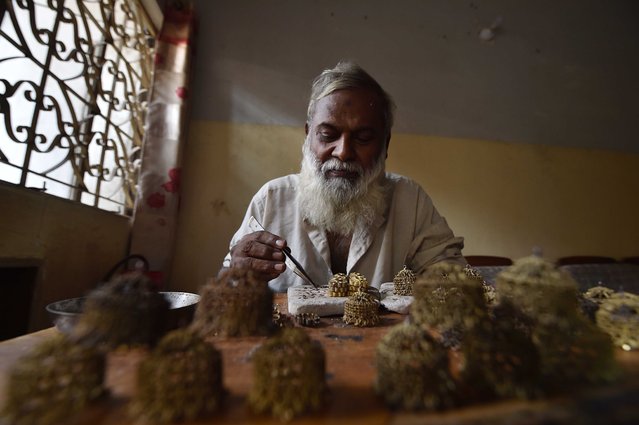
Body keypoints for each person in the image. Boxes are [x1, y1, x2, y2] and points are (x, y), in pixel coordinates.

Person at [222, 61, 465, 292]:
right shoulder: (271, 200)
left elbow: (454, 281)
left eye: (363, 138)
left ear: (385, 144)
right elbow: (225, 288)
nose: (343, 152)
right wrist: (236, 273)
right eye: (328, 135)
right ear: (309, 136)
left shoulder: (410, 202)